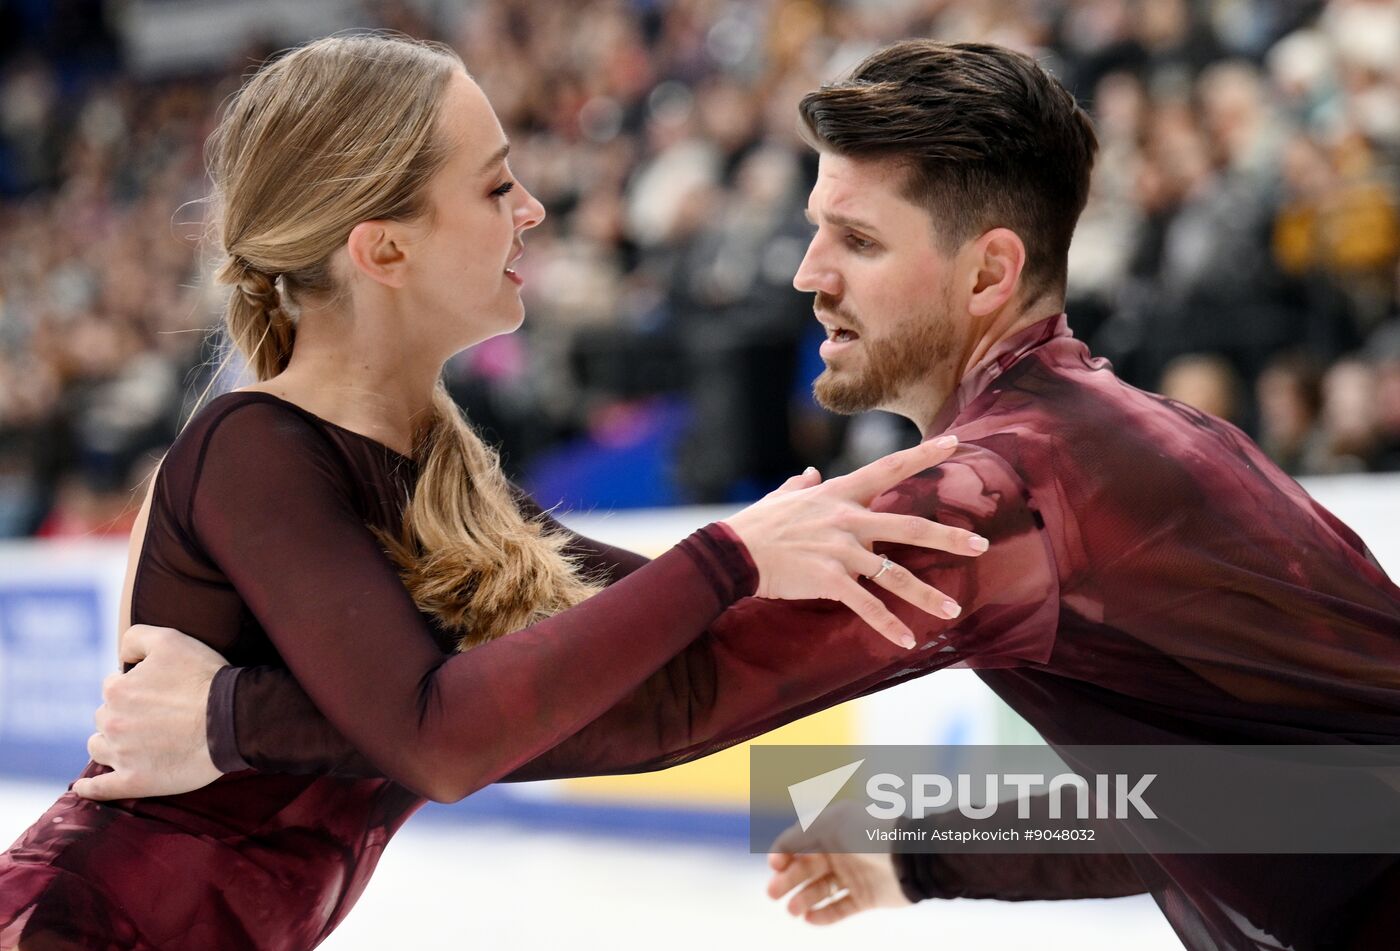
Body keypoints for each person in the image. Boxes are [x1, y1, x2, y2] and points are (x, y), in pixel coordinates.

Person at [75, 40, 1400, 951]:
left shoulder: (1006, 487)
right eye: (818, 223)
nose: (804, 272)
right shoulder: (1113, 441)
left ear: (990, 271)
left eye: (859, 241)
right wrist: (915, 846)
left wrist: (243, 719)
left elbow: (656, 693)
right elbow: (1267, 800)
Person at [0, 34, 981, 951]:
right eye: (494, 185)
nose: (532, 210)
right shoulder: (253, 451)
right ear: (383, 250)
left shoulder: (435, 476)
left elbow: (659, 689)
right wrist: (730, 557)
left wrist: (944, 584)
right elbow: (438, 739)